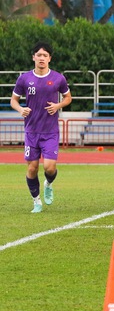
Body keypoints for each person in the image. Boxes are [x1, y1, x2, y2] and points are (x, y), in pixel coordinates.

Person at [11, 42, 72, 213]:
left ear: (49, 59)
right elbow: (13, 100)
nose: (42, 58)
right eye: (39, 55)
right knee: (32, 168)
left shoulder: (59, 78)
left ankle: (48, 184)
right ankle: (36, 201)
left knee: (49, 168)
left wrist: (58, 105)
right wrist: (20, 109)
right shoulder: (24, 79)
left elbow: (68, 98)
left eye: (45, 55)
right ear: (33, 57)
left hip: (50, 131)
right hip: (31, 131)